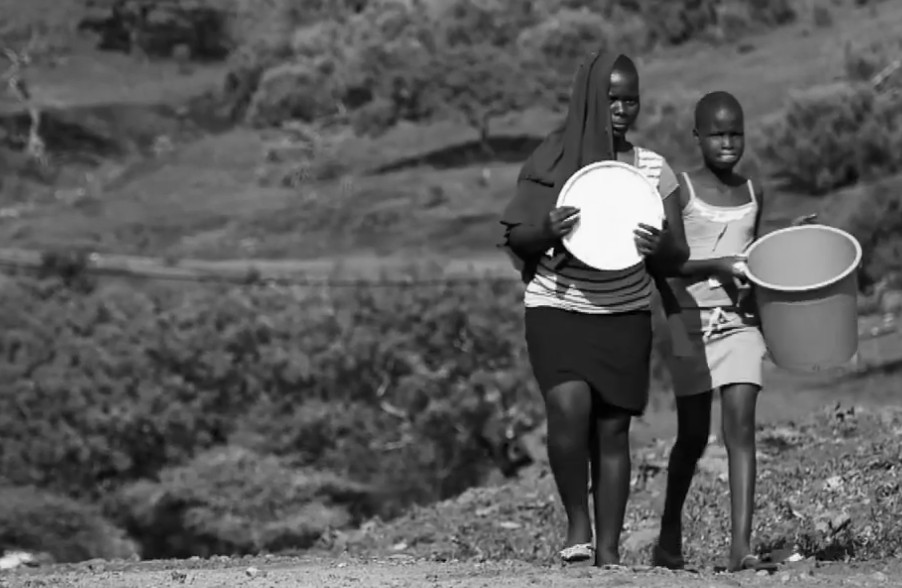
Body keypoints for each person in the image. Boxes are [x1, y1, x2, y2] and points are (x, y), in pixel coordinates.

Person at [498, 50, 689, 567]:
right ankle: (577, 524)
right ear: (589, 101)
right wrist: (548, 229)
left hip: (623, 313)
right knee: (568, 407)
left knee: (612, 429)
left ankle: (608, 554)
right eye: (612, 99)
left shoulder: (652, 169)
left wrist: (659, 247)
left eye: (631, 100)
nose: (622, 110)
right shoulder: (553, 160)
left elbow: (678, 254)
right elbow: (518, 235)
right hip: (557, 305)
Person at [652, 91, 816, 573]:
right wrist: (716, 265)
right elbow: (666, 264)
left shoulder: (753, 191)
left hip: (739, 321)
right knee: (692, 436)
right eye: (717, 134)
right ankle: (668, 534)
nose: (727, 143)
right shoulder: (681, 191)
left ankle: (740, 548)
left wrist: (788, 237)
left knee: (740, 429)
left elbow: (752, 254)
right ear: (697, 136)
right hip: (688, 322)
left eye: (735, 134)